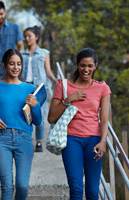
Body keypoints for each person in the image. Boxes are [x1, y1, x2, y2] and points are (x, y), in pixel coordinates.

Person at [48, 48, 111, 200]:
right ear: (77, 65)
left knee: (92, 190)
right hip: (71, 140)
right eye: (83, 65)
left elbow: (104, 120)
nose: (86, 69)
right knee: (76, 188)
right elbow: (51, 118)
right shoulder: (63, 85)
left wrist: (103, 142)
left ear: (95, 66)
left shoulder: (102, 88)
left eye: (90, 66)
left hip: (94, 141)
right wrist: (68, 99)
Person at [0, 49, 42, 200]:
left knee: (22, 186)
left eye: (19, 64)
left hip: (24, 139)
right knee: (6, 187)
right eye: (12, 64)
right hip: (2, 139)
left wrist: (35, 105)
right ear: (4, 65)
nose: (15, 67)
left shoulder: (30, 89)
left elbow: (38, 121)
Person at [21, 26, 58, 152]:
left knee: (40, 115)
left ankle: (39, 141)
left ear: (36, 37)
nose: (27, 38)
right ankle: (27, 139)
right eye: (25, 36)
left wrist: (55, 80)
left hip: (40, 88)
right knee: (26, 114)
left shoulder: (44, 53)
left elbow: (48, 71)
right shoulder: (22, 54)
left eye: (29, 36)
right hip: (25, 86)